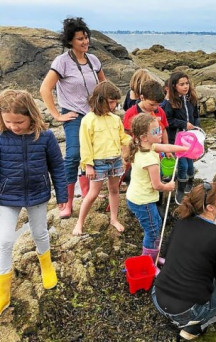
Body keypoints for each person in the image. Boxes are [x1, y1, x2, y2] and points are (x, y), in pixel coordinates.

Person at [0, 90, 68, 315]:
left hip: (38, 193)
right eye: (8, 121)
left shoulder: (46, 137)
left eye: (19, 121)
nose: (14, 126)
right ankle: (3, 291)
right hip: (6, 196)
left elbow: (57, 167)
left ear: (31, 115)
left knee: (40, 233)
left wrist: (63, 196)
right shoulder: (1, 136)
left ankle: (46, 265)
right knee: (4, 241)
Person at [151, 182, 216, 340]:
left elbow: (165, 253)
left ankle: (185, 320)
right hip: (185, 311)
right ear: (210, 207)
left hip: (158, 296)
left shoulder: (181, 222)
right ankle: (191, 327)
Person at [40, 17, 106, 219]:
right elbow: (45, 89)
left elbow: (104, 85)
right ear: (70, 41)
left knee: (93, 155)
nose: (85, 42)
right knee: (73, 156)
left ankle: (86, 192)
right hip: (75, 116)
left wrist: (108, 108)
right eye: (80, 39)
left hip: (94, 115)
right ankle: (66, 202)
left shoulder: (93, 60)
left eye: (86, 37)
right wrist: (57, 115)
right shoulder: (62, 61)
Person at [125, 114, 188, 262]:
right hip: (143, 201)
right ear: (144, 137)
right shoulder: (149, 159)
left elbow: (166, 147)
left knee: (156, 224)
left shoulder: (145, 146)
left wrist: (184, 148)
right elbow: (157, 185)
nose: (160, 133)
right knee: (152, 232)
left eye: (159, 129)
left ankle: (155, 254)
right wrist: (169, 186)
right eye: (155, 131)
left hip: (137, 197)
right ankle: (149, 261)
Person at [72, 81, 131, 235]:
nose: (113, 106)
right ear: (99, 100)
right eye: (111, 102)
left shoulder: (115, 119)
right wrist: (88, 166)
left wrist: (133, 142)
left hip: (115, 160)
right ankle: (79, 222)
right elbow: (85, 145)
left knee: (114, 190)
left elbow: (121, 137)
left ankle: (113, 218)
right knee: (93, 193)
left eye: (115, 103)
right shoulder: (87, 120)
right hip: (97, 162)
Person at [162, 71, 200, 204]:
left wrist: (196, 128)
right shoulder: (169, 103)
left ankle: (190, 181)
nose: (185, 87)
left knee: (190, 164)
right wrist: (183, 124)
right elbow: (167, 120)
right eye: (181, 84)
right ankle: (181, 189)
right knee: (182, 164)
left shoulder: (191, 99)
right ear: (173, 86)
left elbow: (195, 115)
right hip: (177, 138)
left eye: (187, 83)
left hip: (191, 138)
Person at [123, 79, 169, 146]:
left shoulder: (160, 111)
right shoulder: (131, 113)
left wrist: (167, 148)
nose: (155, 107)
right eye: (152, 104)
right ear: (142, 97)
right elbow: (126, 134)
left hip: (158, 151)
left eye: (158, 104)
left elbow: (163, 130)